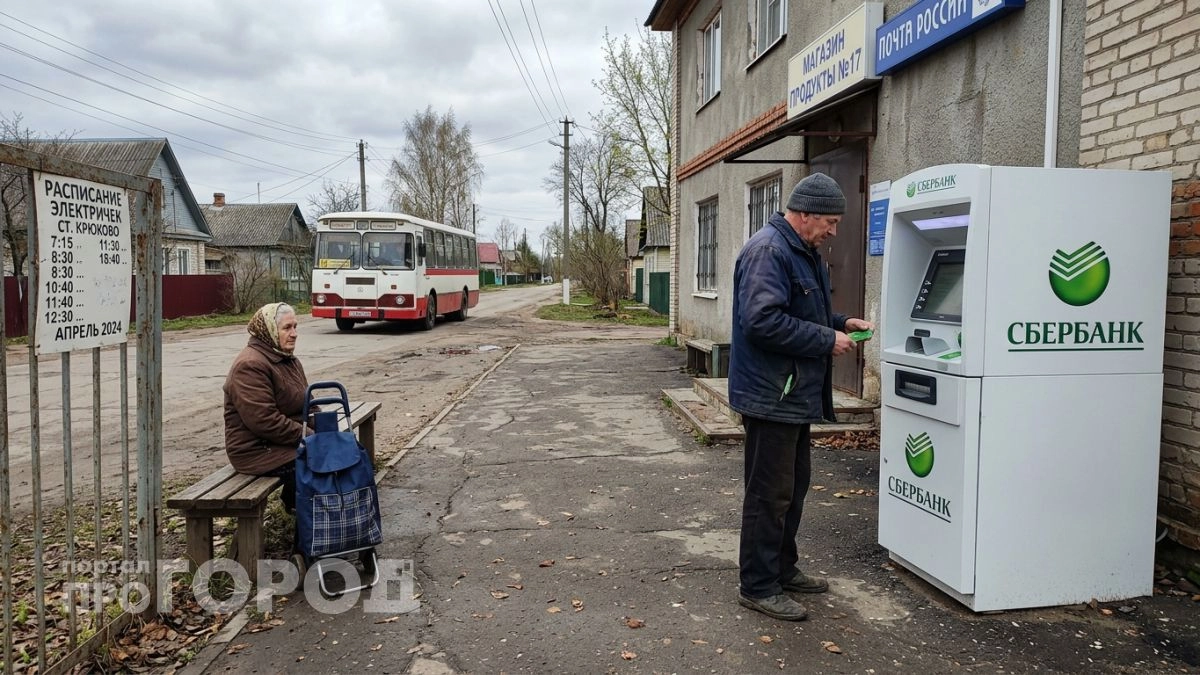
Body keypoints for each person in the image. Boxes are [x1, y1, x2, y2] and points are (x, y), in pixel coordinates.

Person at [729, 172, 874, 621]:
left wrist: (840, 320)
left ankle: (782, 569)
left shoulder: (799, 250)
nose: (833, 231)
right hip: (771, 395)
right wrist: (824, 340)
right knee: (768, 494)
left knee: (791, 489)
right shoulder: (769, 251)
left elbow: (800, 307)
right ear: (805, 213)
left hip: (789, 394)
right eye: (829, 222)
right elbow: (763, 321)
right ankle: (757, 585)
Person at [223, 302, 308, 512]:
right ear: (269, 330)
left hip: (282, 443)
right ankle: (308, 537)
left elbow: (307, 403)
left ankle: (317, 525)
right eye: (287, 328)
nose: (294, 333)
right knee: (315, 465)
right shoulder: (250, 365)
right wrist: (309, 435)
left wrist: (324, 429)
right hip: (256, 451)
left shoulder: (287, 360)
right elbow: (264, 420)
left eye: (295, 326)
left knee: (337, 453)